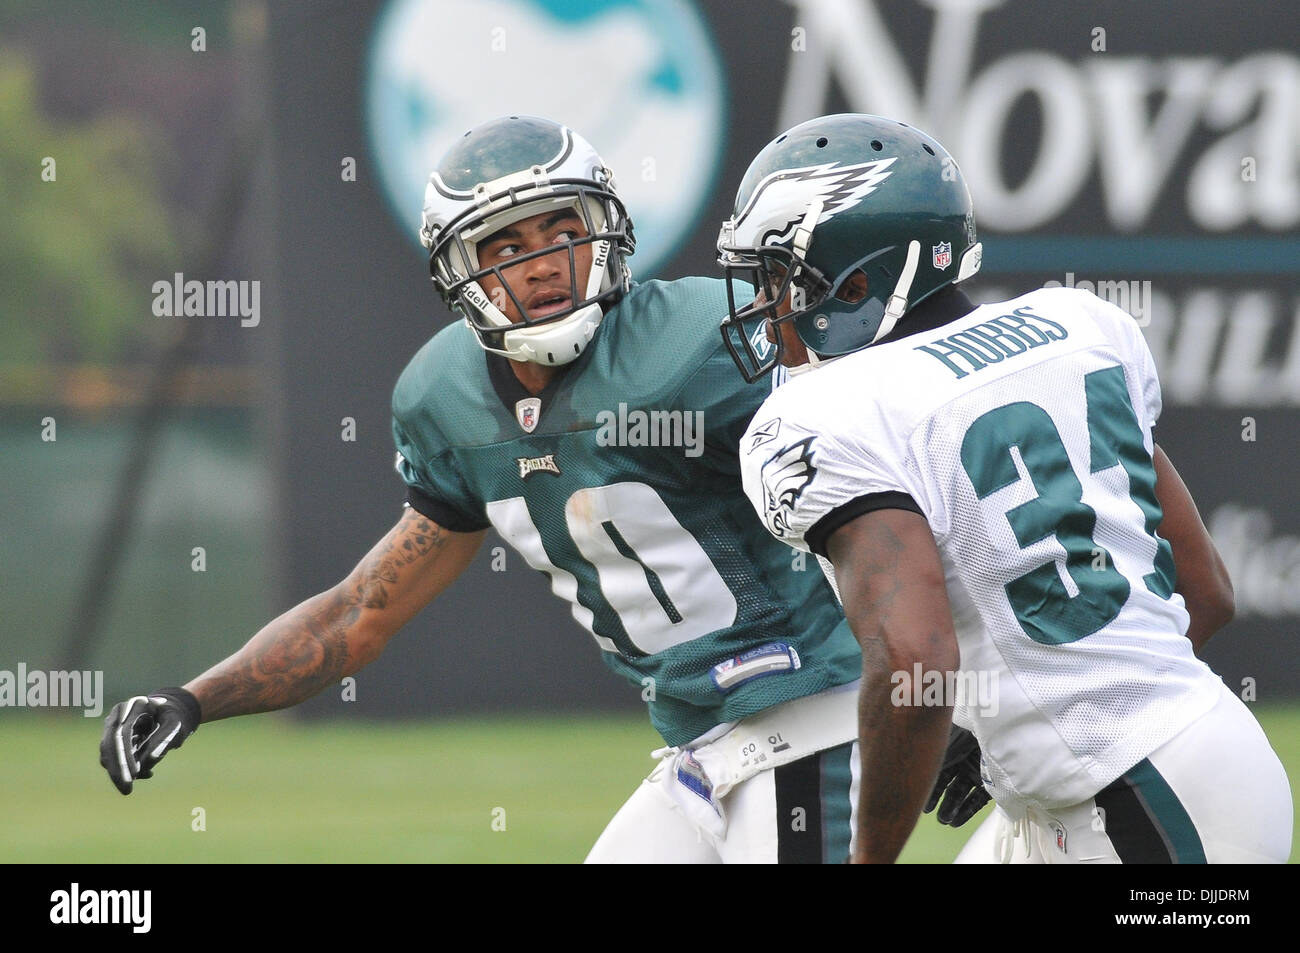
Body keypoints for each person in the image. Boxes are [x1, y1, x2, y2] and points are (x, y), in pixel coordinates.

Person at [99, 115, 868, 864]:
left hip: (812, 718)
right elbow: (362, 612)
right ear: (456, 269)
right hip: (698, 753)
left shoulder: (699, 339)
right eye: (506, 246)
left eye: (564, 234)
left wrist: (935, 691)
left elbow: (880, 501)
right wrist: (195, 697)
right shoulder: (447, 397)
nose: (543, 264)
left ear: (606, 232)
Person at [720, 113, 1294, 864]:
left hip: (1137, 803)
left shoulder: (825, 412)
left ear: (857, 282)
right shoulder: (1076, 323)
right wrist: (1038, 713)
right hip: (1190, 759)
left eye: (778, 276)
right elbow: (1206, 587)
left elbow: (916, 660)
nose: (767, 305)